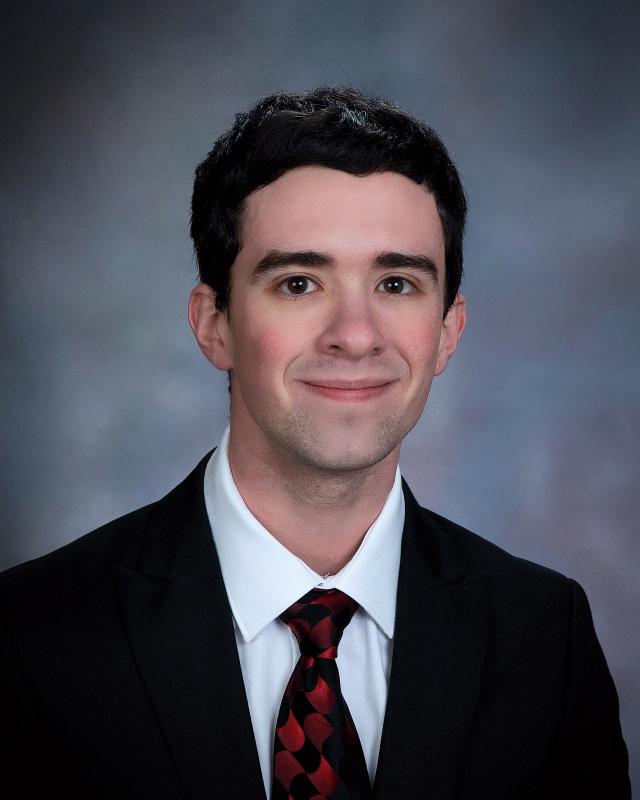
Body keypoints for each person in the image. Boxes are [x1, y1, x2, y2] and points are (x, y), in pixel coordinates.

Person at [0, 87, 630, 799]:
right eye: (299, 283)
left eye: (397, 283)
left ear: (448, 330)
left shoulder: (544, 638)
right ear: (214, 325)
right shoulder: (32, 637)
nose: (355, 335)